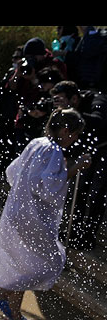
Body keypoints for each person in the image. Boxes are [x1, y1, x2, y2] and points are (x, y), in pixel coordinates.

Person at [0, 108, 91, 320]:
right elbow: (48, 186)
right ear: (65, 130)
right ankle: (1, 291)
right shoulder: (53, 151)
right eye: (74, 135)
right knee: (49, 263)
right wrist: (75, 168)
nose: (74, 140)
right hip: (32, 217)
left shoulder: (36, 142)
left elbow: (12, 172)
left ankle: (14, 315)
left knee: (25, 263)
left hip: (16, 210)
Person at [50, 80, 107, 250]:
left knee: (96, 194)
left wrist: (71, 112)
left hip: (104, 149)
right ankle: (72, 232)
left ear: (74, 99)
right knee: (79, 190)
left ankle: (88, 236)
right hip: (88, 148)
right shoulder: (70, 105)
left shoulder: (98, 100)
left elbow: (98, 122)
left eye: (62, 100)